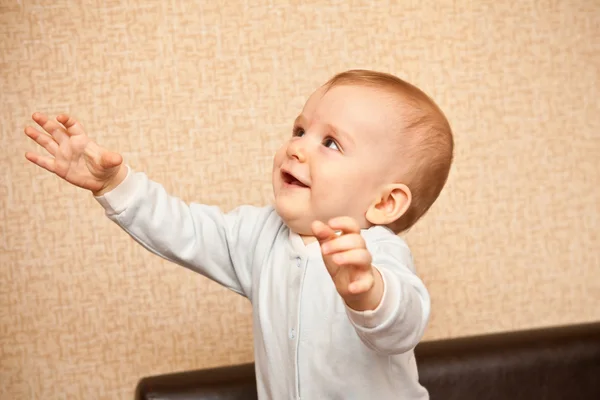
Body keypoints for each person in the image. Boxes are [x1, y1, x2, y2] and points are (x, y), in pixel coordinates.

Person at [24, 69, 453, 399]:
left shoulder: (376, 254)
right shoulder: (259, 235)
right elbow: (185, 231)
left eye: (332, 143)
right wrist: (116, 185)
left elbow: (403, 325)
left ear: (384, 203)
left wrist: (368, 294)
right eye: (300, 130)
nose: (296, 147)